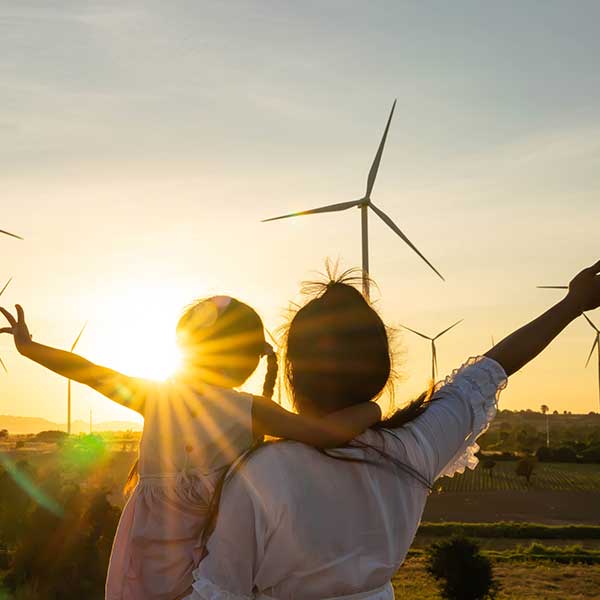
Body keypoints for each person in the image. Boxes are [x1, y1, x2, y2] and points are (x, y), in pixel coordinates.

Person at [186, 260, 600, 600]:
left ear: (294, 373)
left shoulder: (260, 475)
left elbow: (218, 591)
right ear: (382, 370)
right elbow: (490, 370)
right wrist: (571, 305)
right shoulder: (413, 447)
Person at [0, 295, 381, 600]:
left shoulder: (155, 396)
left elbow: (87, 372)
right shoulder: (250, 410)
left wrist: (29, 347)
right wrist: (372, 409)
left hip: (148, 551)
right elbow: (323, 433)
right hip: (209, 557)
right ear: (247, 359)